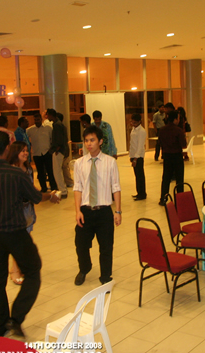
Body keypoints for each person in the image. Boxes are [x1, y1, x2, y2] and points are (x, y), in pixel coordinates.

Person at [0, 131, 60, 339]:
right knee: (33, 270)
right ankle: (16, 318)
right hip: (16, 232)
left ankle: (0, 327)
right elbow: (36, 197)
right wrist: (51, 197)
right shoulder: (16, 174)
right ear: (7, 149)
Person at [73, 126, 122, 286]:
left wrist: (118, 211)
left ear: (100, 141)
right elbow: (77, 188)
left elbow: (116, 187)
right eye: (86, 140)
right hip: (86, 211)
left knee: (106, 247)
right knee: (81, 244)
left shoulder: (110, 162)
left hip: (104, 212)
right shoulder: (79, 163)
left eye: (92, 140)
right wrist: (77, 211)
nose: (89, 143)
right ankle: (84, 268)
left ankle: (105, 276)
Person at [6, 141, 37, 285]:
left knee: (25, 240)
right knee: (18, 241)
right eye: (22, 151)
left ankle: (19, 266)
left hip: (28, 209)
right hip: (15, 210)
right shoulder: (11, 170)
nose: (25, 153)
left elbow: (31, 188)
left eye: (26, 150)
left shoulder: (28, 169)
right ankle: (15, 269)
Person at [158, 110, 187, 206]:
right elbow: (183, 144)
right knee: (179, 178)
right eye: (178, 118)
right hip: (177, 156)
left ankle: (163, 198)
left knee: (166, 178)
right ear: (175, 119)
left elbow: (160, 143)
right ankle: (180, 199)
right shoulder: (178, 130)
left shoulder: (162, 130)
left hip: (167, 156)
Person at [27, 111, 57, 192]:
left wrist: (51, 149)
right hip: (36, 154)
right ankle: (43, 188)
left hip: (47, 152)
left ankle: (53, 187)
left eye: (38, 119)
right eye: (35, 120)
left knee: (50, 171)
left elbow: (52, 139)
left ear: (41, 119)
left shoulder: (48, 128)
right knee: (40, 173)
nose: (37, 121)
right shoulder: (30, 130)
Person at [46, 108, 69, 199]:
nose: (47, 117)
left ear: (51, 115)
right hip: (59, 150)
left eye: (47, 115)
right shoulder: (58, 124)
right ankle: (63, 189)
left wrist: (56, 149)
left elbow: (59, 139)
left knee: (57, 171)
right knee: (58, 171)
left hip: (58, 150)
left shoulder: (57, 125)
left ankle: (63, 190)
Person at [129, 113, 147, 200]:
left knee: (140, 175)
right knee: (137, 175)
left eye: (135, 122)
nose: (133, 124)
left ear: (140, 121)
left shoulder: (141, 131)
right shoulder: (133, 129)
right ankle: (139, 192)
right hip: (134, 155)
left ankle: (142, 194)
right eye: (132, 122)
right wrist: (131, 156)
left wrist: (135, 158)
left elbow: (140, 146)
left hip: (138, 156)